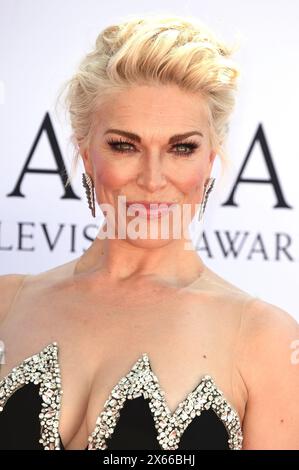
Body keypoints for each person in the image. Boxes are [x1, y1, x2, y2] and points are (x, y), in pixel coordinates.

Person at [0, 13, 298, 451]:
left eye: (182, 148)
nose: (154, 178)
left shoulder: (265, 338)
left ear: (210, 159)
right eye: (124, 146)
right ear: (86, 154)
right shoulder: (7, 304)